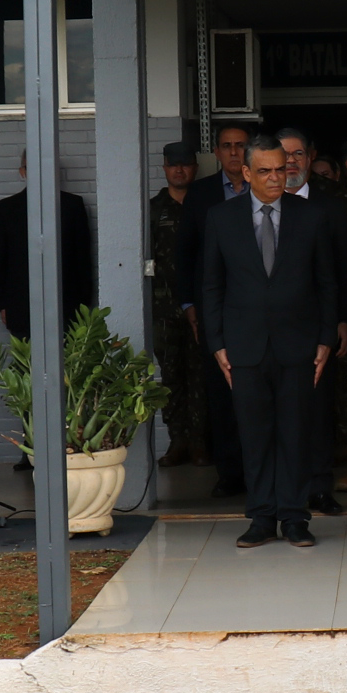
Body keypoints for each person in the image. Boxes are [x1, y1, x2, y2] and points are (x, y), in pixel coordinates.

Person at [200, 140, 338, 548]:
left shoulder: (311, 216)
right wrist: (217, 343)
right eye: (265, 171)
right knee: (254, 435)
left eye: (281, 169)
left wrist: (326, 338)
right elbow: (211, 285)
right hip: (243, 347)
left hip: (299, 345)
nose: (277, 177)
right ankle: (261, 516)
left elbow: (328, 283)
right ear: (246, 173)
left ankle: (295, 517)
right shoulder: (221, 218)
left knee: (296, 434)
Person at [178, 121, 257, 494]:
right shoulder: (201, 194)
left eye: (240, 145)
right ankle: (230, 472)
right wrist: (190, 302)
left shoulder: (266, 188)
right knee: (222, 390)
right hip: (217, 307)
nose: (233, 152)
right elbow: (186, 253)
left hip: (259, 307)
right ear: (217, 152)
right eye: (226, 146)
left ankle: (263, 470)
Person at [0, 154, 97, 341]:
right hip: (20, 303)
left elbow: (82, 257)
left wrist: (84, 302)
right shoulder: (6, 209)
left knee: (70, 363)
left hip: (67, 302)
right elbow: (0, 259)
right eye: (32, 167)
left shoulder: (72, 206)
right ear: (22, 172)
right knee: (27, 365)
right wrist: (2, 304)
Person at [146, 143, 206, 469]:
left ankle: (200, 443)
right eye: (174, 165)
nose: (180, 170)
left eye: (186, 165)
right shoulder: (154, 209)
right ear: (165, 167)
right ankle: (178, 440)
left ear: (195, 167)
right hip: (164, 308)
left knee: (201, 376)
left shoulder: (206, 204)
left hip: (201, 307)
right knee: (171, 377)